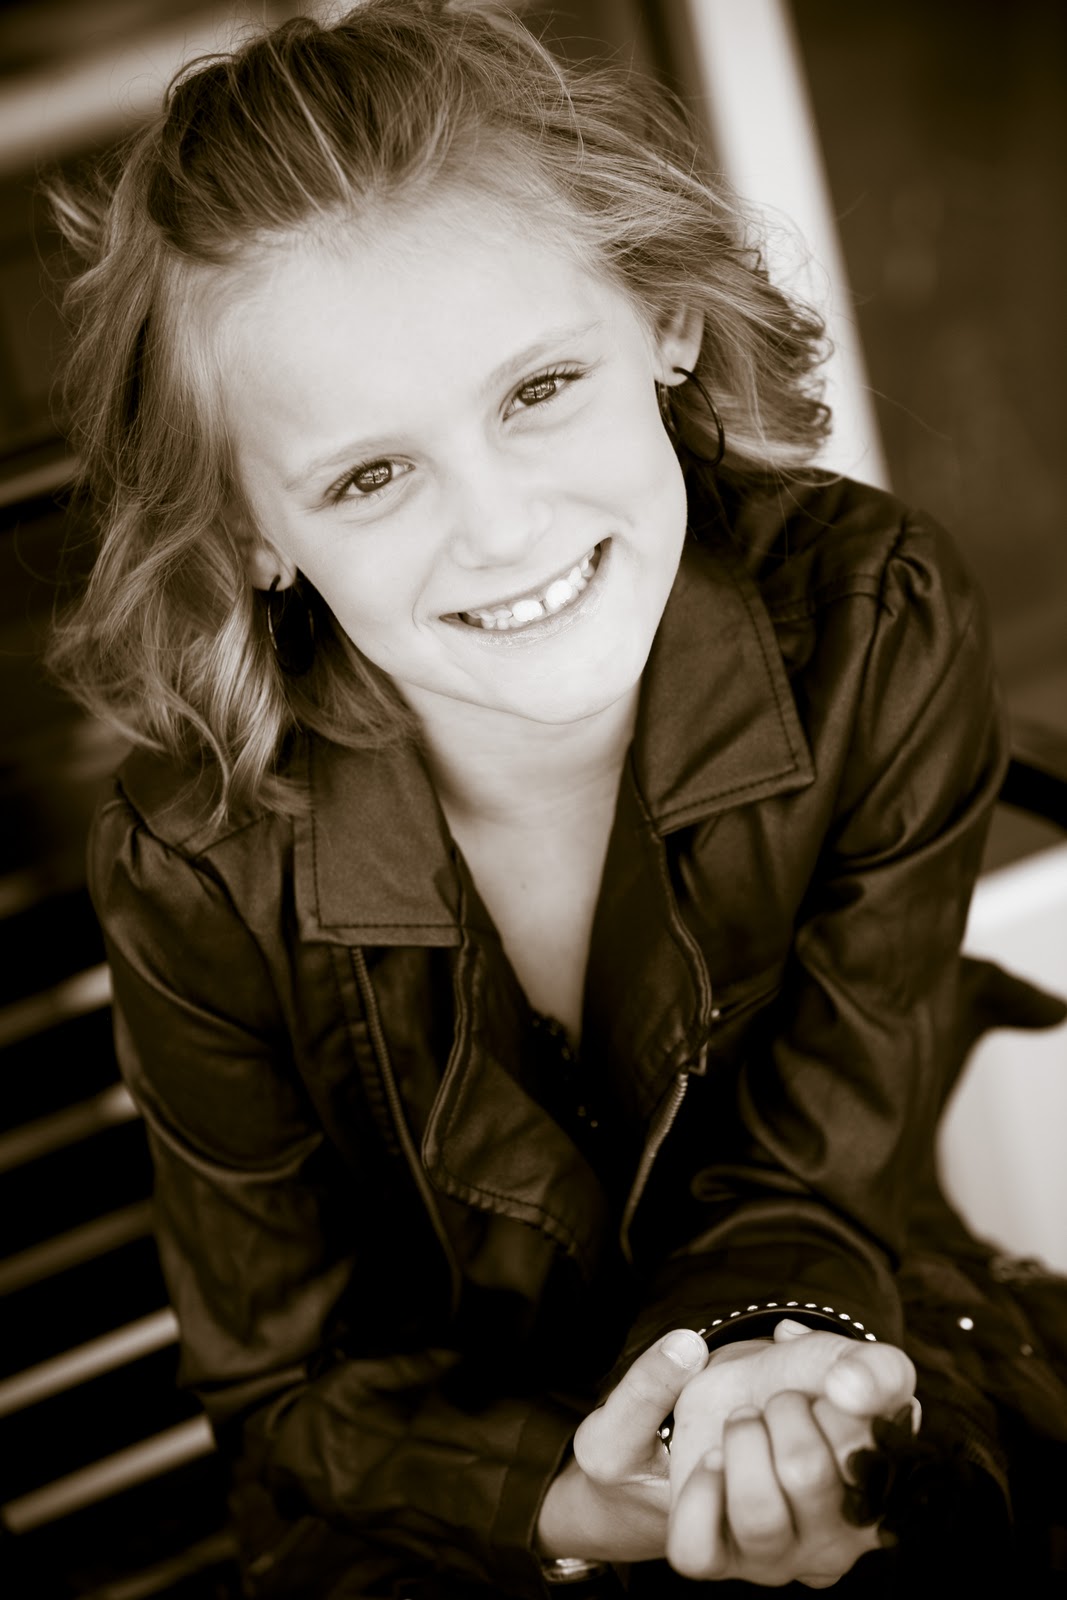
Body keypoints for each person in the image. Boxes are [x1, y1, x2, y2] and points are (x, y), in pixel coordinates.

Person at [46, 2, 1067, 1595]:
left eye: (538, 388)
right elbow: (290, 1388)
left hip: (824, 1297)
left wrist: (757, 1381)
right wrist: (582, 1502)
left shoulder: (874, 621)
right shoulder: (199, 864)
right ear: (252, 534)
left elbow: (818, 1162)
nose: (503, 527)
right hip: (446, 1494)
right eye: (370, 475)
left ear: (665, 321)